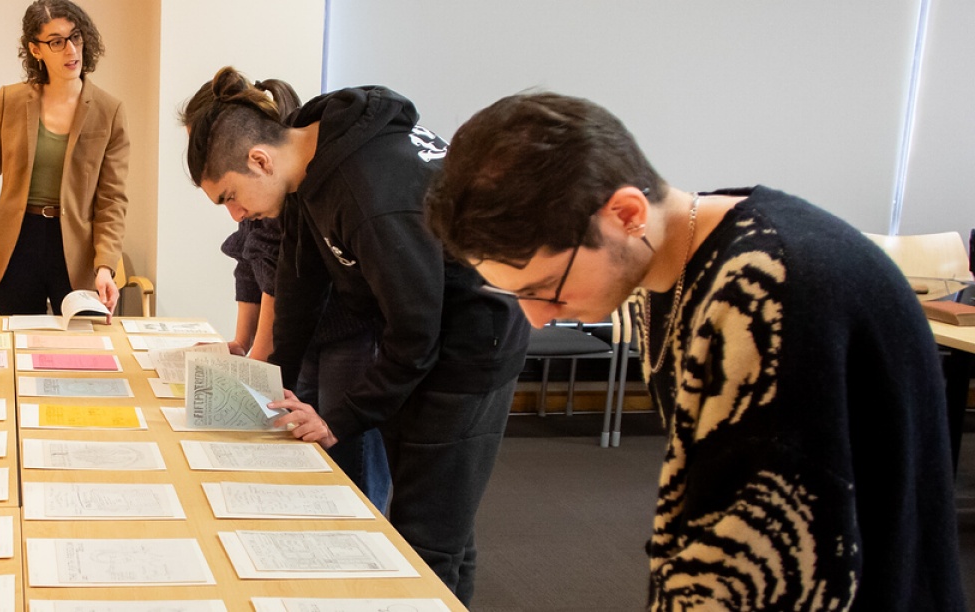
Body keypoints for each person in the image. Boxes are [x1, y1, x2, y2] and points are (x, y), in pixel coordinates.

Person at [425, 91, 964, 610]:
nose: (537, 317)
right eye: (515, 293)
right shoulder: (674, 266)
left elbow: (772, 566)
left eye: (548, 288)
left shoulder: (766, 288)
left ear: (627, 213)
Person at [179, 67, 529, 603]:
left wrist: (338, 420)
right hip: (422, 335)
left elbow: (418, 332)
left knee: (426, 539)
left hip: (472, 349)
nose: (236, 214)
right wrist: (266, 391)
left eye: (230, 196)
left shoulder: (369, 188)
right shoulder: (312, 164)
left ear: (259, 160)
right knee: (437, 520)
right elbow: (298, 286)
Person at [215, 78, 393, 512]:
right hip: (308, 336)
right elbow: (252, 266)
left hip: (347, 330)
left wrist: (257, 360)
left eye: (229, 196)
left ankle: (363, 522)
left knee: (350, 448)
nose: (234, 211)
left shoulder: (296, 190)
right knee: (310, 437)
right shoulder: (263, 192)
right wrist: (243, 345)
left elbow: (279, 280)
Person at [0, 0, 128, 315]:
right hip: (17, 245)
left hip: (76, 250)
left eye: (76, 37)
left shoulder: (109, 111)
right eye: (56, 41)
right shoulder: (10, 100)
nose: (71, 50)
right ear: (35, 49)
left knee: (77, 352)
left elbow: (112, 200)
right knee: (19, 344)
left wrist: (105, 265)